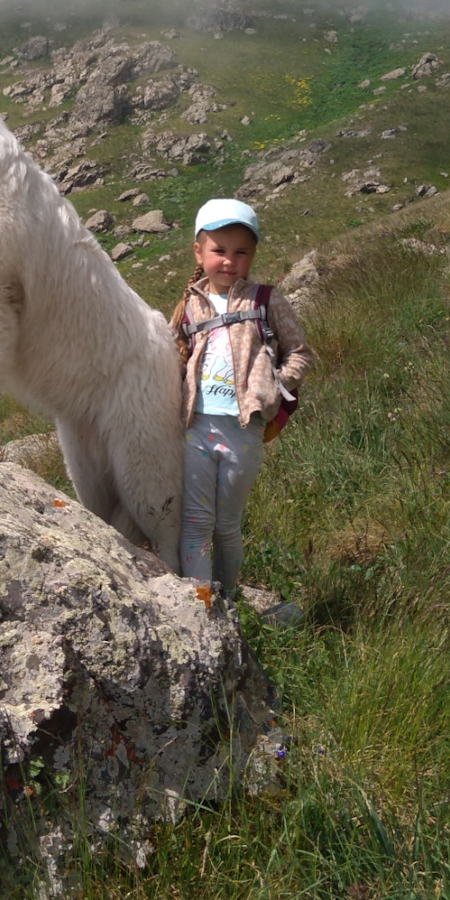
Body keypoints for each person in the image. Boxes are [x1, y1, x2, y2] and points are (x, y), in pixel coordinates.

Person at [169, 199, 312, 605]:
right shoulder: (188, 305)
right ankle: (200, 606)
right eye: (219, 250)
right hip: (193, 427)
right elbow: (173, 356)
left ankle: (229, 604)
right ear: (199, 252)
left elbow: (300, 351)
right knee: (196, 523)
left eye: (241, 252)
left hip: (244, 428)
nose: (229, 261)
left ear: (253, 255)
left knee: (227, 525)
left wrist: (273, 386)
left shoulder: (266, 299)